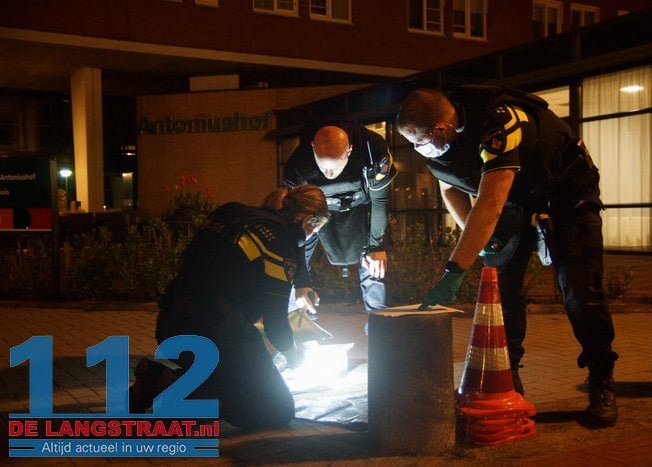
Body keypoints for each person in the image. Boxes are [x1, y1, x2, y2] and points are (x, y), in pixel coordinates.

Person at [396, 87, 618, 427]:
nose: (418, 149)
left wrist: (455, 270)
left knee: (580, 290)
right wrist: (481, 239)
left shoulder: (500, 125)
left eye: (419, 141)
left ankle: (602, 379)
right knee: (502, 291)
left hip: (566, 193)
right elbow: (451, 188)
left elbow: (489, 204)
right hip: (517, 198)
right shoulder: (444, 145)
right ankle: (507, 379)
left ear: (440, 128)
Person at [129, 185, 329, 430]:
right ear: (308, 219)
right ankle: (164, 384)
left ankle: (161, 379)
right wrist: (294, 355)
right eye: (315, 229)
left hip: (172, 325)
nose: (311, 236)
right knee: (275, 410)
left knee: (232, 384)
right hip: (220, 334)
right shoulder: (278, 240)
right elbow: (275, 322)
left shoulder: (235, 215)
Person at [283, 124, 397, 317]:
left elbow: (380, 202)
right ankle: (299, 318)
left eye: (334, 166)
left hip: (362, 205)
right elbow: (297, 226)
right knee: (293, 261)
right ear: (312, 147)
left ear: (349, 151)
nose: (329, 174)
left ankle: (378, 323)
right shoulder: (297, 167)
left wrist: (376, 246)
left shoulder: (373, 153)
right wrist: (300, 280)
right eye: (324, 167)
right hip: (317, 209)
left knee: (374, 262)